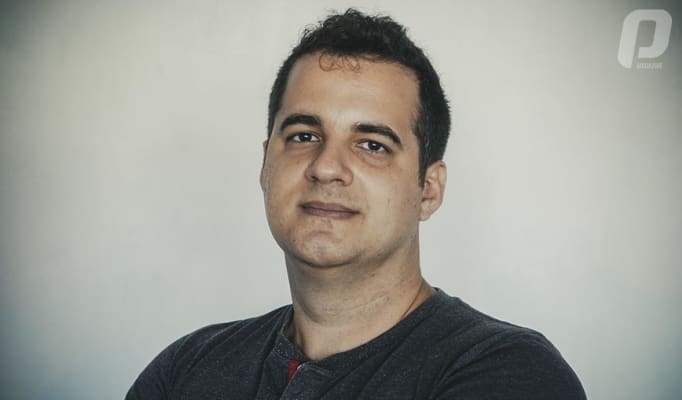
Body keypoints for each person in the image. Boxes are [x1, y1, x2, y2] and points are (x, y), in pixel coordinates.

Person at [126, 8, 586, 400]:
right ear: (266, 165)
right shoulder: (186, 368)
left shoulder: (507, 372)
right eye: (304, 136)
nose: (326, 167)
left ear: (428, 189)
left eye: (372, 145)